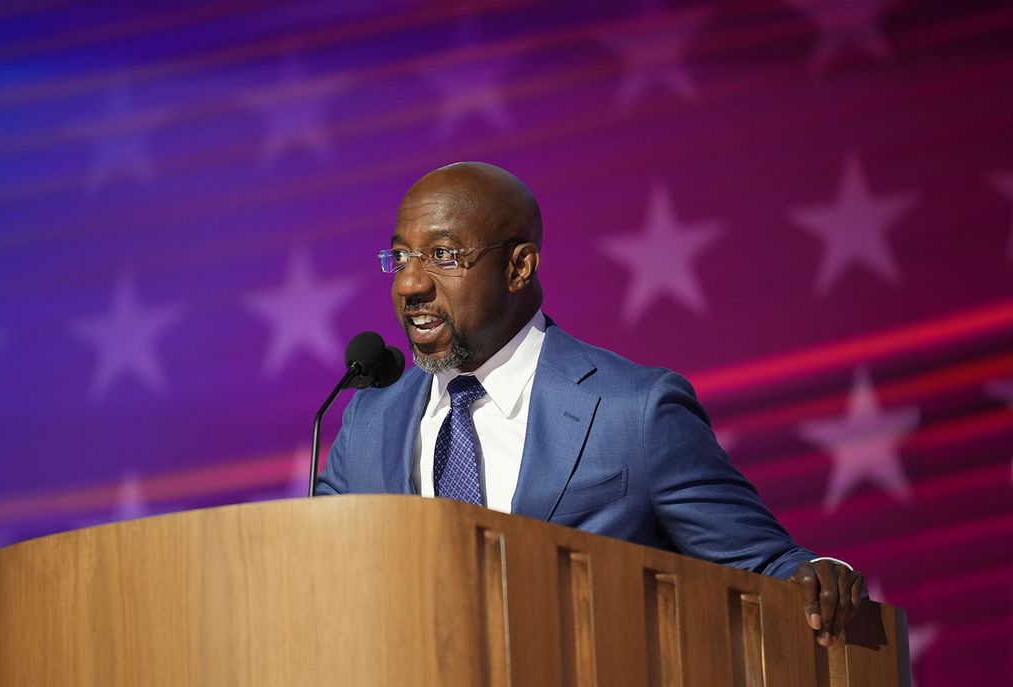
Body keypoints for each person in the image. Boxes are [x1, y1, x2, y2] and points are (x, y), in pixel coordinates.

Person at [316, 162, 865, 646]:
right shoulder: (369, 421)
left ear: (519, 267)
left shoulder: (635, 411)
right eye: (403, 255)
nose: (410, 282)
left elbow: (764, 562)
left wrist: (819, 574)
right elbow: (316, 576)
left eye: (441, 255)